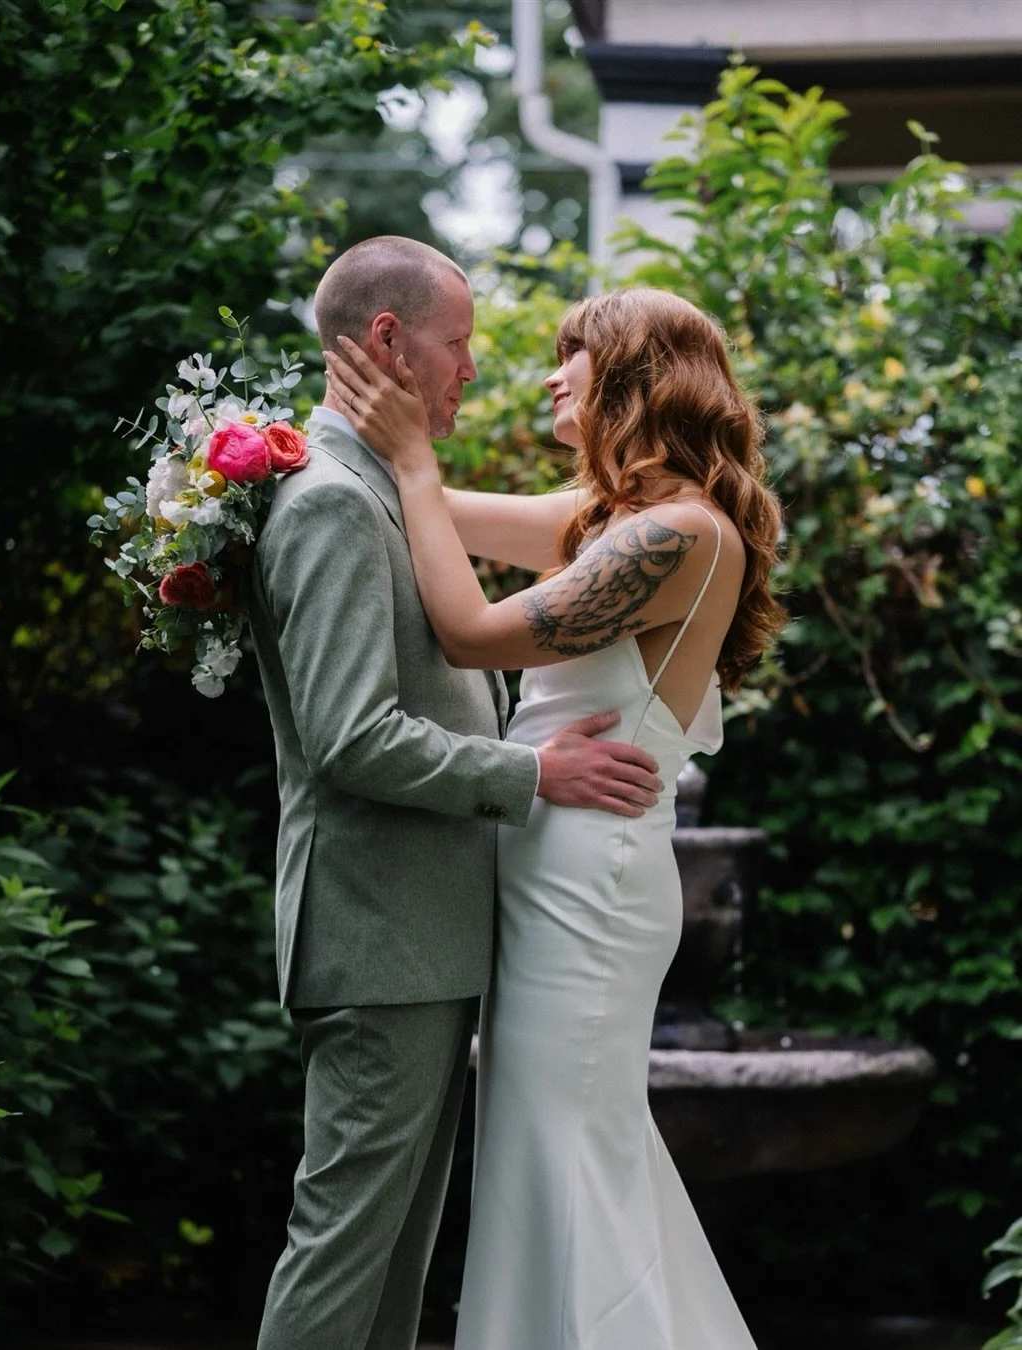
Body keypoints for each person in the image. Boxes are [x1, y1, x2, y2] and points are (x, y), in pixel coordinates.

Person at [323, 283, 787, 1350]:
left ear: (632, 372)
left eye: (571, 355)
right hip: (551, 858)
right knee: (552, 1148)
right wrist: (278, 461)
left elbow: (475, 632)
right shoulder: (611, 521)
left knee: (565, 1149)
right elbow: (430, 514)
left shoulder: (679, 534)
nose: (547, 375)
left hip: (592, 878)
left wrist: (414, 456)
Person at [248, 238, 666, 1350]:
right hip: (381, 936)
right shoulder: (334, 502)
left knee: (393, 1261)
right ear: (387, 342)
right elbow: (351, 739)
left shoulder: (378, 488)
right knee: (344, 1250)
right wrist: (533, 772)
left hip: (419, 937)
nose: (473, 370)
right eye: (460, 345)